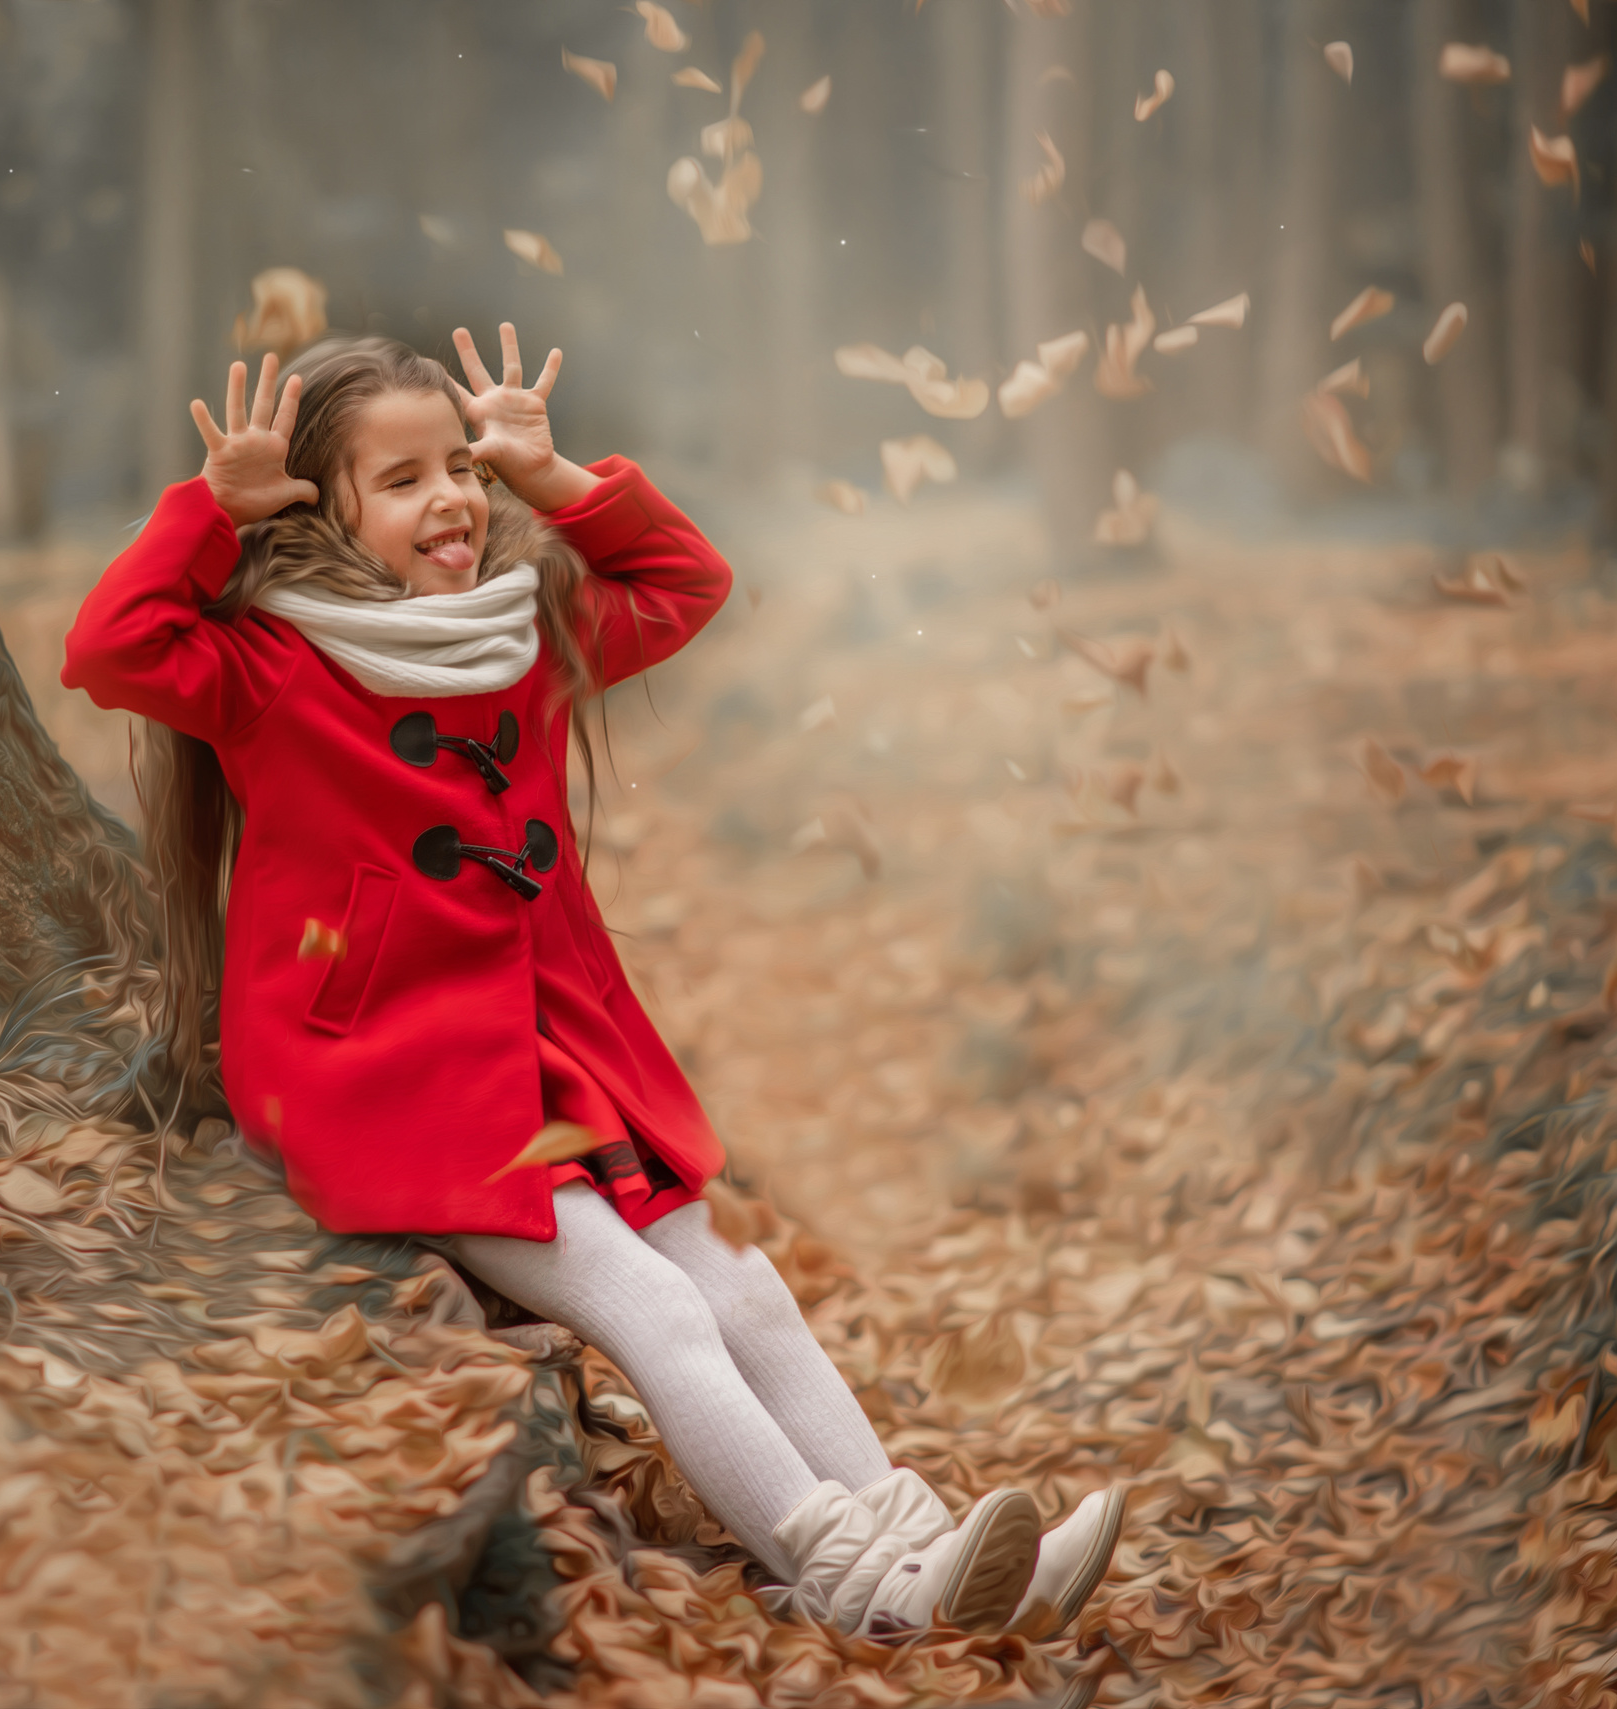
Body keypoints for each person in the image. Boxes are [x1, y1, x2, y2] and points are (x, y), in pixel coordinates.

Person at [61, 327, 1124, 1642]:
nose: (451, 496)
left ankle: (927, 1544)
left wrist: (554, 474)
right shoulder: (276, 669)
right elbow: (111, 646)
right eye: (401, 479)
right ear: (317, 509)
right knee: (659, 1307)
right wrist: (212, 512)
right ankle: (857, 1586)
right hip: (388, 1080)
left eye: (458, 464)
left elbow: (690, 578)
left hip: (550, 1054)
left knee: (745, 1284)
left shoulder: (523, 631)